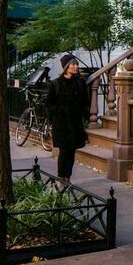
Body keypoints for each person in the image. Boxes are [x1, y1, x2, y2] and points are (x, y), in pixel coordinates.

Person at [46, 54, 89, 184]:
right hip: (62, 123)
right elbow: (49, 103)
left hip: (75, 123)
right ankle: (61, 177)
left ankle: (67, 177)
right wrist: (57, 114)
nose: (76, 67)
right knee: (64, 151)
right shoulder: (56, 84)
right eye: (73, 64)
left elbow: (85, 101)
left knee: (72, 151)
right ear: (66, 67)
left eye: (76, 64)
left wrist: (83, 117)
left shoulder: (80, 82)